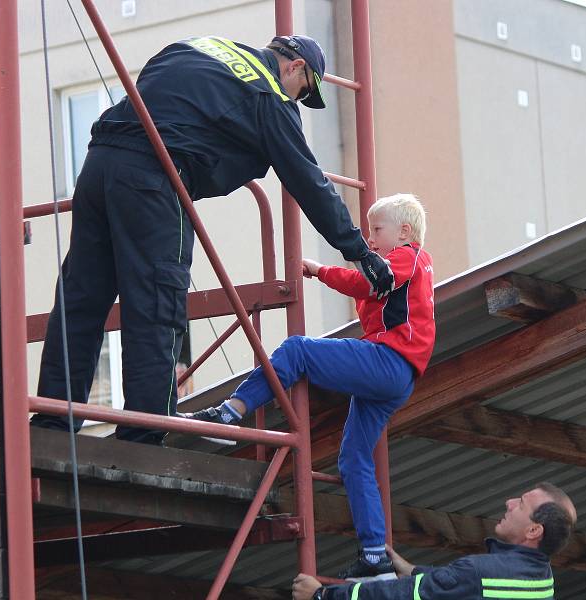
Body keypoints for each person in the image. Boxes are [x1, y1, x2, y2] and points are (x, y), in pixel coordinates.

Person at [30, 34, 394, 444]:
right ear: (295, 67)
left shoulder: (200, 46)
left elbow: (156, 82)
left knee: (81, 298)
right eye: (304, 91)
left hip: (99, 163)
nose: (298, 100)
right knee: (155, 300)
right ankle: (145, 433)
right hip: (154, 176)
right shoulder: (270, 95)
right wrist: (358, 250)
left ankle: (52, 423)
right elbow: (307, 181)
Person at [182, 193, 435, 579]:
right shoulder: (406, 264)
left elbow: (366, 281)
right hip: (397, 375)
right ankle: (374, 555)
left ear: (403, 231)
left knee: (298, 350)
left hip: (389, 361)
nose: (369, 240)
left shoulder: (407, 256)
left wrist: (319, 271)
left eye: (376, 231)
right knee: (353, 457)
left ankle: (233, 410)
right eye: (367, 232)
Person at [291, 482, 578, 600]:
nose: (509, 502)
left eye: (522, 504)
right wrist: (413, 569)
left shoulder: (479, 572)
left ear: (533, 531)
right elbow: (461, 584)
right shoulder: (543, 577)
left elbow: (403, 595)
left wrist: (323, 595)